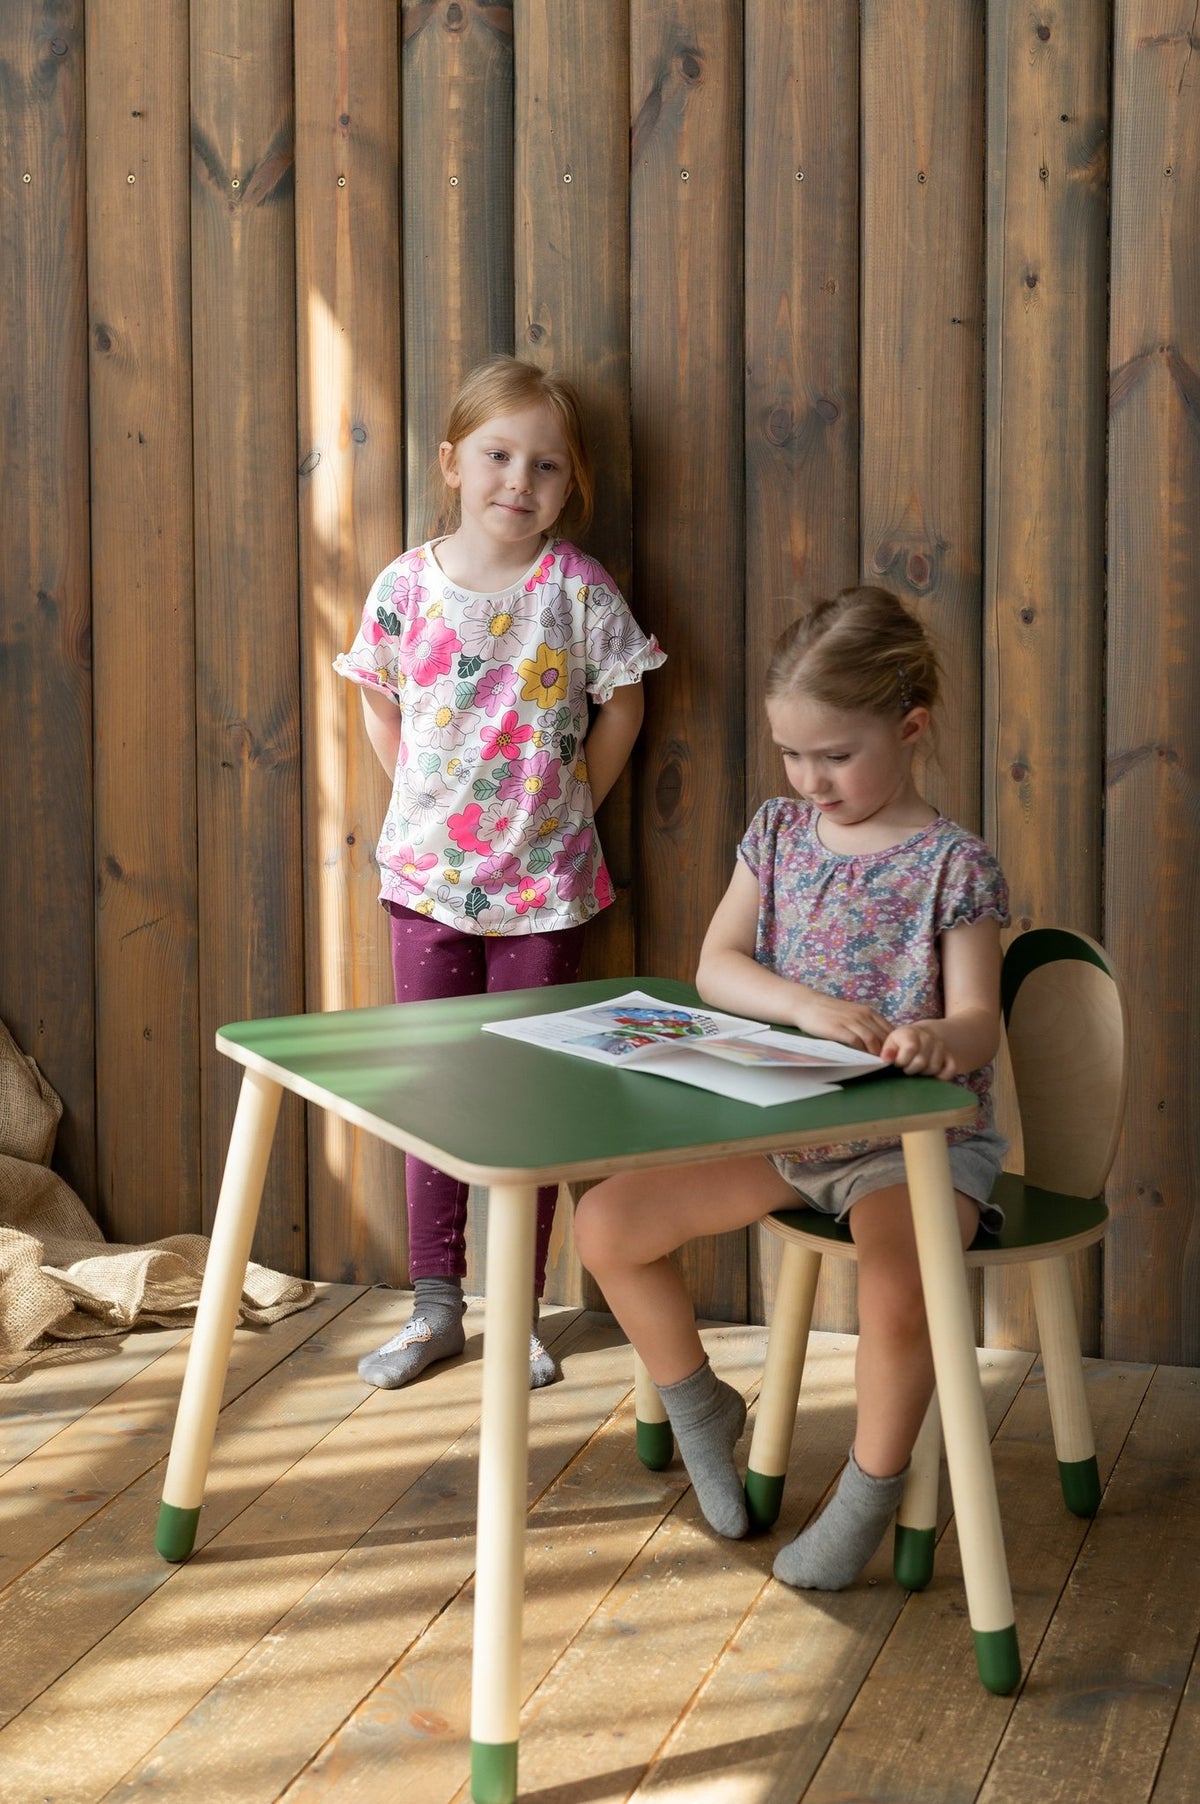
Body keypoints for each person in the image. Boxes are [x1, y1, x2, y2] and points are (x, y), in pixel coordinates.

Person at [574, 586, 1009, 1588]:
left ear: (910, 728)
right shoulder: (777, 834)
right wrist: (809, 1009)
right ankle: (700, 1405)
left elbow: (983, 1018)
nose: (811, 779)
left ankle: (868, 1490)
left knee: (899, 1296)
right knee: (608, 1226)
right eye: (792, 754)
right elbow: (717, 965)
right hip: (787, 1124)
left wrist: (941, 1036)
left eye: (836, 755)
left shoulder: (954, 865)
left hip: (912, 1145)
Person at [336, 356, 664, 1391]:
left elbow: (626, 699)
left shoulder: (576, 590)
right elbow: (372, 690)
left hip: (544, 889)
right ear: (452, 463)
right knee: (438, 1091)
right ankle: (436, 1304)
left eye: (546, 467)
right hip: (427, 882)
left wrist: (580, 802)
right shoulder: (404, 585)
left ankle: (515, 1309)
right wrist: (414, 796)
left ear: (570, 488)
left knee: (524, 1097)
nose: (519, 481)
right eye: (498, 455)